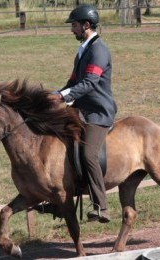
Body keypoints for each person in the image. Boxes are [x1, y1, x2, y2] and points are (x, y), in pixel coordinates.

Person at [48, 4, 117, 223]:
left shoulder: (98, 50)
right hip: (80, 108)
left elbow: (88, 83)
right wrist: (56, 94)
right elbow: (73, 81)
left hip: (97, 112)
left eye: (75, 26)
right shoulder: (83, 50)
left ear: (86, 25)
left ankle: (101, 206)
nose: (72, 30)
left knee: (89, 155)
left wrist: (62, 97)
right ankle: (58, 199)